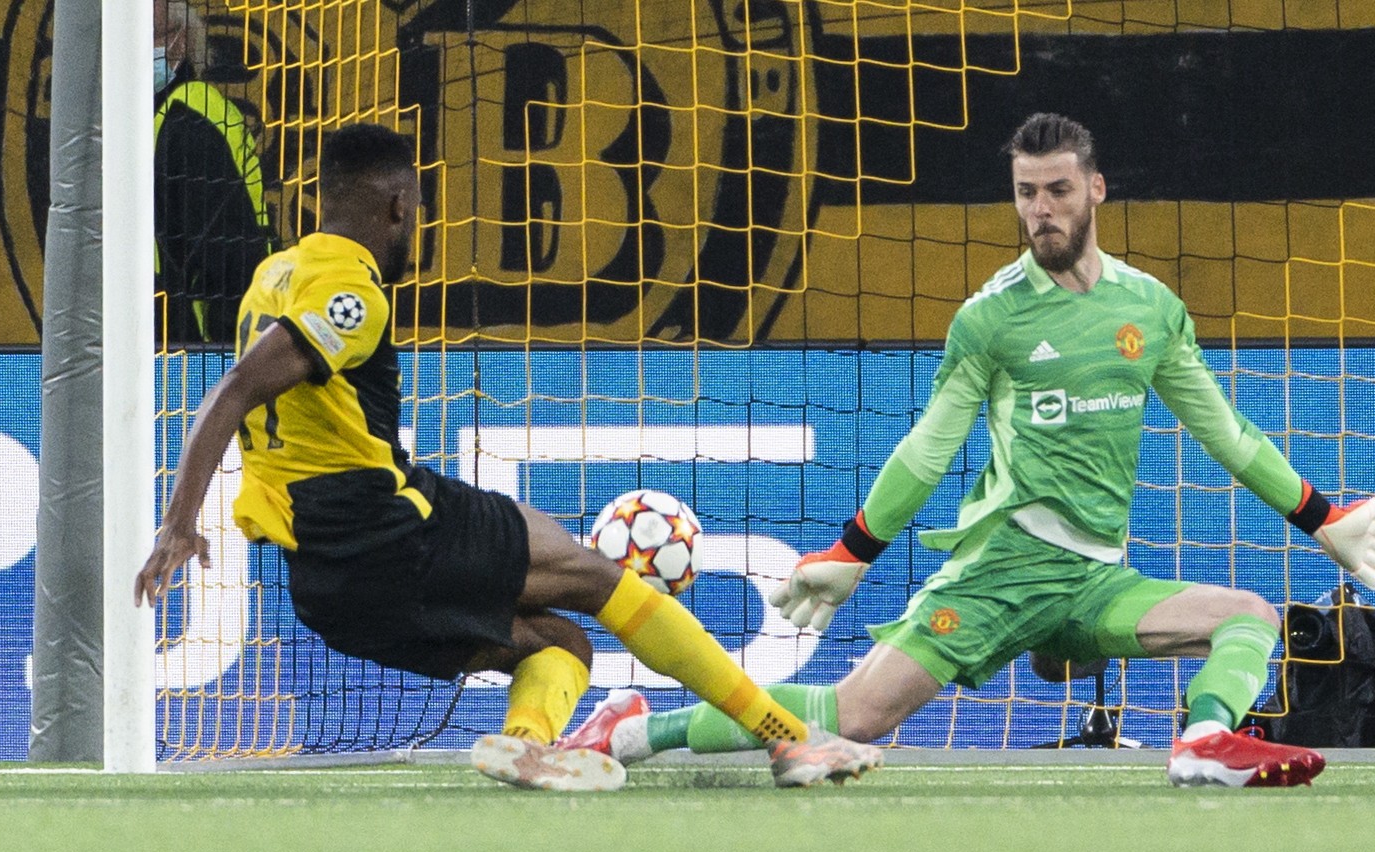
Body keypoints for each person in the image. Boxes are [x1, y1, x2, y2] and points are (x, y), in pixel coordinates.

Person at [559, 113, 1375, 788]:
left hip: (1096, 577)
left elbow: (1225, 432)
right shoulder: (991, 318)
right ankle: (635, 724)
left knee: (1249, 618)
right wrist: (852, 553)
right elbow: (930, 448)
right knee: (853, 718)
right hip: (1006, 568)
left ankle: (1202, 740)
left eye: (1058, 191)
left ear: (1095, 190)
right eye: (1026, 193)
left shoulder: (1150, 310)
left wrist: (1322, 516)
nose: (1041, 209)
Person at [132, 122, 883, 791]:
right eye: (416, 211)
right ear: (398, 206)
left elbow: (237, 386)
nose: (414, 225)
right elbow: (234, 388)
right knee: (598, 578)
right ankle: (790, 742)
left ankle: (524, 745)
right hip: (383, 533)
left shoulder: (272, 275)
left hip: (326, 588)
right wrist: (178, 521)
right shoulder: (349, 290)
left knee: (560, 642)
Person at [154, 0, 273, 344]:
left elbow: (230, 259)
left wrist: (227, 372)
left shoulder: (192, 122)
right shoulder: (145, 116)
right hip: (152, 345)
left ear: (178, 41)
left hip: (186, 358)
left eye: (141, 36)